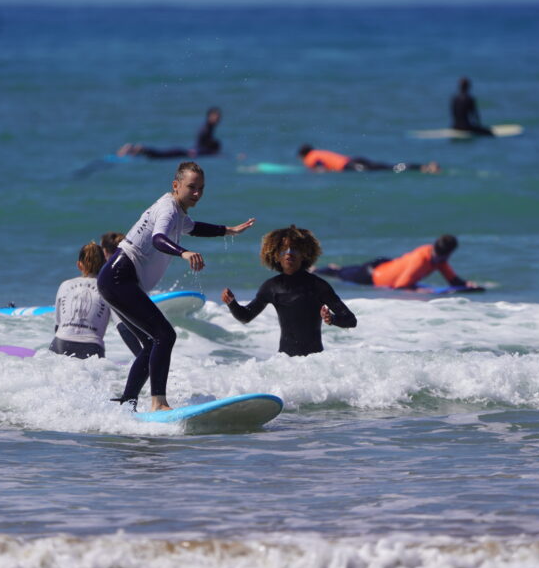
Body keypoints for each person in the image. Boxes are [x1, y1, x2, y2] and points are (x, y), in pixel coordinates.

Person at [98, 161, 255, 412]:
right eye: (191, 187)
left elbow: (196, 228)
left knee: (151, 343)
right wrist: (183, 253)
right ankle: (158, 403)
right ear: (176, 185)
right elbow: (158, 239)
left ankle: (127, 404)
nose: (197, 193)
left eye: (201, 188)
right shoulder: (168, 210)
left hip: (113, 279)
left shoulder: (178, 214)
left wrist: (229, 230)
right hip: (119, 276)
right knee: (165, 335)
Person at [222, 225, 356, 357]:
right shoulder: (271, 287)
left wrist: (331, 319)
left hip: (315, 362)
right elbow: (245, 316)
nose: (289, 253)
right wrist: (232, 303)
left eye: (295, 249)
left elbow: (350, 320)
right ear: (276, 256)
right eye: (283, 250)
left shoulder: (318, 285)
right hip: (285, 363)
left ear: (304, 254)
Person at [314, 235, 478, 291]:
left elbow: (452, 280)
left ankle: (333, 268)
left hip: (384, 266)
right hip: (372, 276)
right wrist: (421, 292)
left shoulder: (436, 257)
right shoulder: (422, 260)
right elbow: (400, 286)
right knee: (339, 274)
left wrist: (466, 285)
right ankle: (316, 270)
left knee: (343, 270)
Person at [50, 241, 112, 359]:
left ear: (79, 265)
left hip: (60, 342)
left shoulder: (65, 285)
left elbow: (57, 326)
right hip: (92, 346)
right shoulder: (108, 289)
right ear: (104, 264)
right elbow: (121, 325)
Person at [117, 107, 223, 159]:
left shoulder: (209, 127)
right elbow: (201, 140)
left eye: (218, 117)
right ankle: (140, 149)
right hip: (188, 152)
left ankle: (137, 150)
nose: (218, 119)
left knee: (161, 155)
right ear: (209, 116)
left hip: (189, 152)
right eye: (215, 117)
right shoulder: (206, 128)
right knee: (161, 155)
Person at [297, 145, 440, 174]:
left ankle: (423, 168)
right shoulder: (318, 151)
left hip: (350, 167)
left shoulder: (310, 158)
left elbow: (320, 167)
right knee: (389, 166)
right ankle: (423, 166)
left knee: (389, 170)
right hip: (354, 160)